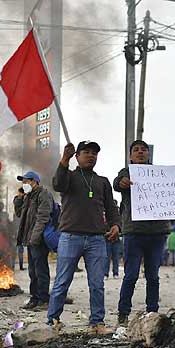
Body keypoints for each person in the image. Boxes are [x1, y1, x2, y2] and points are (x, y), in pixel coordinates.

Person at [114, 140, 175, 325]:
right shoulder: (126, 172)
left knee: (153, 276)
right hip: (134, 232)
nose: (140, 152)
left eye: (144, 150)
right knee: (131, 275)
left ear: (149, 154)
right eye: (136, 150)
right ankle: (123, 313)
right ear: (130, 156)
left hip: (157, 233)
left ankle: (152, 313)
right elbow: (117, 184)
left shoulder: (160, 174)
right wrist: (122, 182)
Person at [47, 141, 121, 334]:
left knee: (97, 284)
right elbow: (57, 184)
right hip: (71, 237)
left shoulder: (102, 181)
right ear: (77, 156)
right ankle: (52, 320)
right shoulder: (69, 176)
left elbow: (111, 207)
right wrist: (64, 159)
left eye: (94, 153)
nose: (91, 156)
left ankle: (97, 322)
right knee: (62, 281)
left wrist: (115, 224)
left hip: (97, 239)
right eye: (86, 152)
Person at [15, 171, 54, 311]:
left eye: (27, 181)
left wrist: (35, 238)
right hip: (30, 239)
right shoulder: (28, 197)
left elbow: (43, 217)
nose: (24, 184)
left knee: (40, 270)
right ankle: (35, 298)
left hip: (39, 239)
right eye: (23, 182)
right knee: (32, 270)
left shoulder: (44, 194)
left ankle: (44, 300)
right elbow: (19, 213)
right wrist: (19, 198)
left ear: (35, 181)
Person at [104, 199, 122, 279]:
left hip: (116, 240)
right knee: (107, 258)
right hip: (107, 239)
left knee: (115, 257)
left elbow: (121, 227)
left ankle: (115, 273)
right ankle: (106, 273)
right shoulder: (104, 216)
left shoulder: (119, 218)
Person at [12, 188, 26, 271]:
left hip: (20, 230)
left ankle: (19, 266)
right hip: (16, 230)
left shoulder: (21, 201)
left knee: (20, 249)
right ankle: (12, 266)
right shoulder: (18, 201)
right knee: (14, 250)